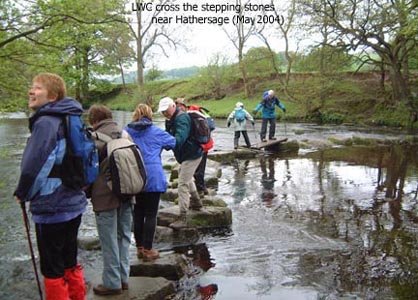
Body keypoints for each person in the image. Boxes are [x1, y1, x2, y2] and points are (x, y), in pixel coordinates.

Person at [14, 73, 87, 300]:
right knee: (69, 261)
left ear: (53, 96)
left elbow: (34, 167)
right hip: (74, 203)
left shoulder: (46, 122)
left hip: (51, 206)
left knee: (52, 267)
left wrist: (23, 193)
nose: (31, 91)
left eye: (37, 88)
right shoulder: (70, 117)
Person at [87, 105, 132, 296]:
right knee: (124, 237)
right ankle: (124, 279)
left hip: (105, 197)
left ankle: (112, 282)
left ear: (93, 121)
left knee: (109, 241)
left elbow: (88, 171)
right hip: (129, 193)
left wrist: (86, 192)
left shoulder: (93, 139)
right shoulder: (125, 134)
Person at [125, 103, 176, 260]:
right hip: (153, 176)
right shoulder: (156, 132)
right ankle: (148, 249)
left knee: (138, 213)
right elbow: (174, 142)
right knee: (151, 214)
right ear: (150, 116)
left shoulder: (126, 132)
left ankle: (139, 247)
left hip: (134, 176)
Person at [158, 96, 204, 229]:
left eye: (166, 110)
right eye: (162, 111)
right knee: (186, 177)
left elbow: (179, 139)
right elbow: (168, 136)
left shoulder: (182, 118)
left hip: (192, 155)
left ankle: (183, 216)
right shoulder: (170, 119)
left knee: (182, 182)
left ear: (173, 106)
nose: (164, 113)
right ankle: (197, 203)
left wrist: (165, 144)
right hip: (185, 155)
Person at [175, 98, 214, 197]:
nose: (177, 109)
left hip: (200, 145)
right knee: (199, 168)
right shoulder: (197, 112)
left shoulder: (190, 115)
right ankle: (201, 188)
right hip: (204, 143)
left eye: (178, 107)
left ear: (183, 106)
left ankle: (200, 189)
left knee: (199, 169)